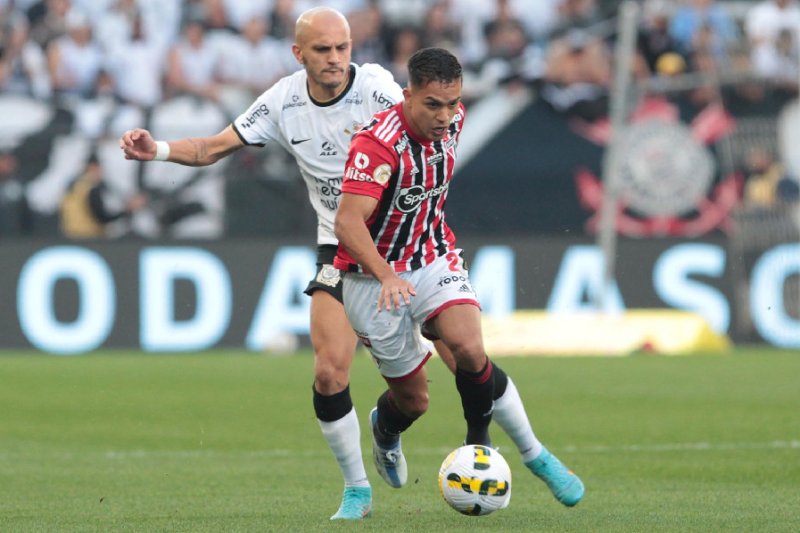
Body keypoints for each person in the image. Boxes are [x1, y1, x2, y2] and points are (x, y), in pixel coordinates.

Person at [120, 8, 575, 520]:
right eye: (322, 50)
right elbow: (211, 147)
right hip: (342, 248)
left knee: (464, 354)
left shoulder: (382, 90)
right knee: (330, 372)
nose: (335, 59)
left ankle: (535, 454)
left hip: (408, 246)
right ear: (300, 54)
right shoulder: (282, 101)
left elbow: (429, 125)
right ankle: (357, 488)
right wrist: (155, 149)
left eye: (342, 48)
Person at [333, 47, 585, 507]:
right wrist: (387, 275)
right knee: (414, 402)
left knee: (469, 347)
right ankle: (385, 429)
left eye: (453, 104)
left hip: (432, 256)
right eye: (433, 104)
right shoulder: (376, 145)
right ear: (407, 96)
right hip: (373, 280)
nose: (446, 116)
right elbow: (347, 224)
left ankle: (481, 446)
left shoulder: (454, 121)